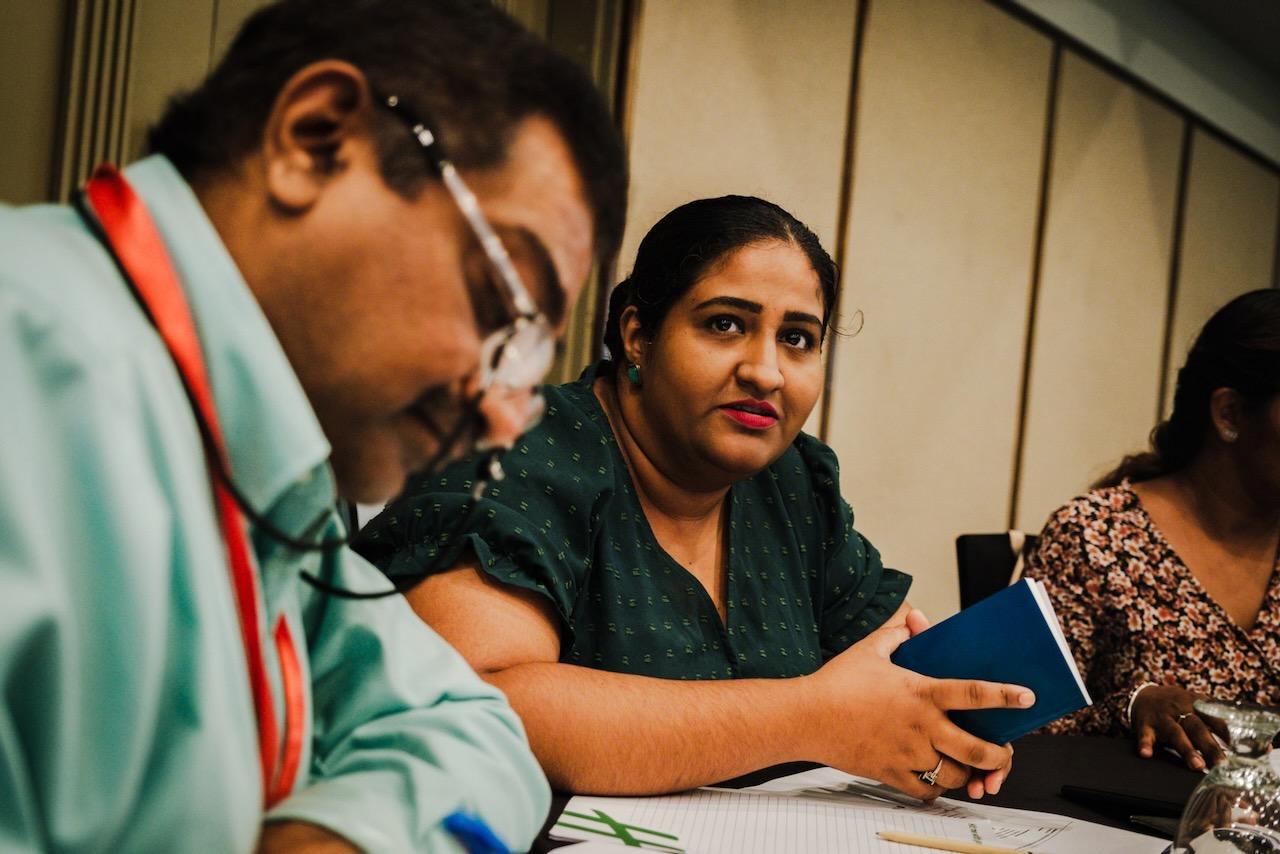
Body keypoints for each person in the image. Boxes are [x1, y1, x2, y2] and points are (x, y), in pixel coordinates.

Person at [0, 0, 626, 851]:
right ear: (315, 139)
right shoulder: (30, 367)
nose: (497, 415)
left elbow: (478, 727)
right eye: (500, 303)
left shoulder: (268, 480)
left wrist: (351, 834)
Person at [357, 195, 1032, 800]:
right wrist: (811, 717)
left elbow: (897, 671)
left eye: (797, 339)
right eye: (726, 325)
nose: (766, 371)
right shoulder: (518, 452)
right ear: (636, 336)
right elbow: (483, 705)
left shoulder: (795, 482)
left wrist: (952, 725)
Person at [1024, 289, 1280, 770]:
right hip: (1117, 811)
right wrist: (1133, 705)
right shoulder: (1096, 535)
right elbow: (1019, 721)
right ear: (1229, 413)